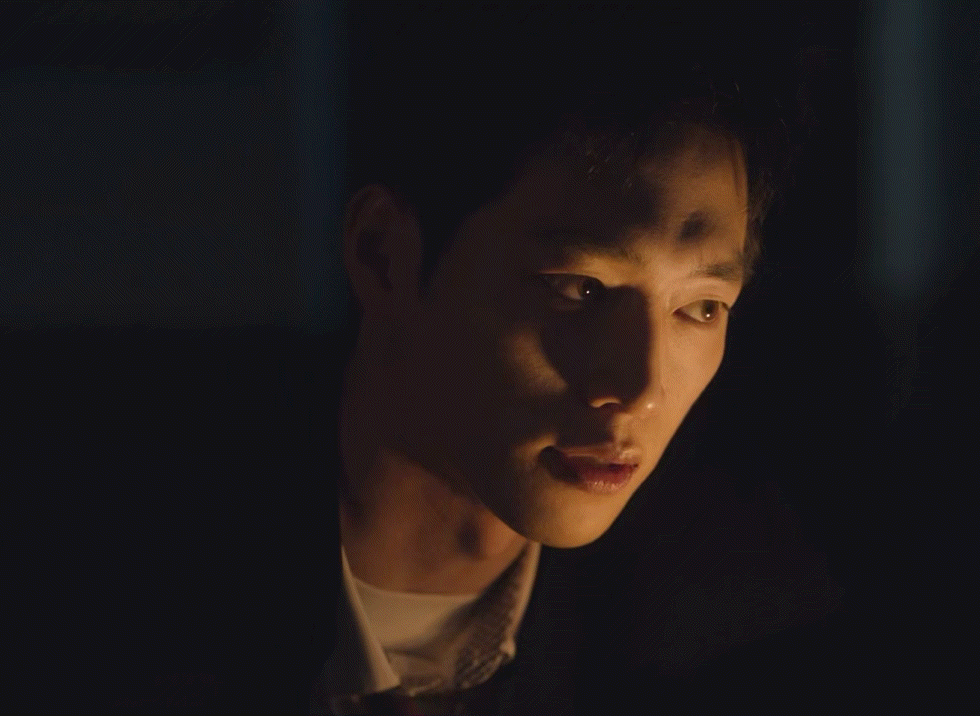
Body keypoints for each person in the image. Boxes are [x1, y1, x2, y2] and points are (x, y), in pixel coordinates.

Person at [309, 4, 839, 715]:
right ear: (384, 256)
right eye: (581, 289)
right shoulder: (171, 576)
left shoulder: (743, 633)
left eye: (702, 308)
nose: (641, 388)